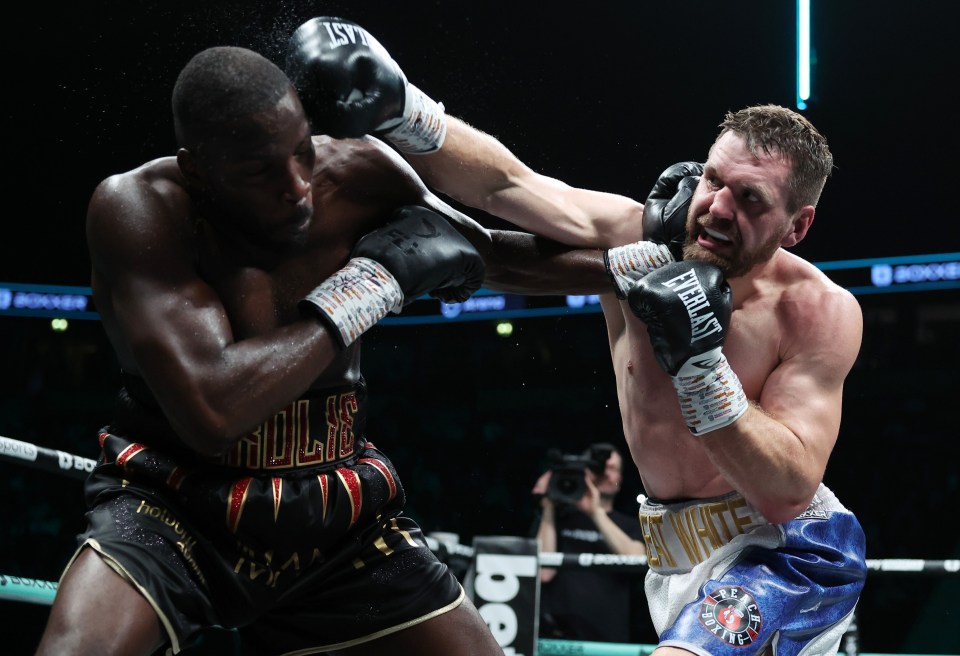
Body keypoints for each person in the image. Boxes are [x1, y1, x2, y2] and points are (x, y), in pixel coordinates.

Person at [286, 16, 869, 655]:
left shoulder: (818, 312)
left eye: (751, 200)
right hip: (673, 555)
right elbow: (512, 184)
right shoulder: (638, 240)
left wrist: (701, 362)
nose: (718, 208)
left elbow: (788, 489)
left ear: (797, 225)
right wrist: (403, 107)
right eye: (712, 180)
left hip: (790, 553)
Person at [34, 44, 615, 656]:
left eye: (302, 149)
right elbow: (212, 411)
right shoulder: (141, 210)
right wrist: (369, 286)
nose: (297, 185)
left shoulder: (361, 174)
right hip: (177, 505)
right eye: (260, 170)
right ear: (197, 168)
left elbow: (486, 254)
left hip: (334, 512)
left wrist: (641, 267)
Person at [531, 442, 651, 644]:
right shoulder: (556, 520)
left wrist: (594, 512)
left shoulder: (630, 524)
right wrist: (549, 506)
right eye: (598, 468)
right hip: (556, 640)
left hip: (608, 641)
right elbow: (543, 572)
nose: (604, 473)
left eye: (612, 469)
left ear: (619, 480)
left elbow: (637, 558)